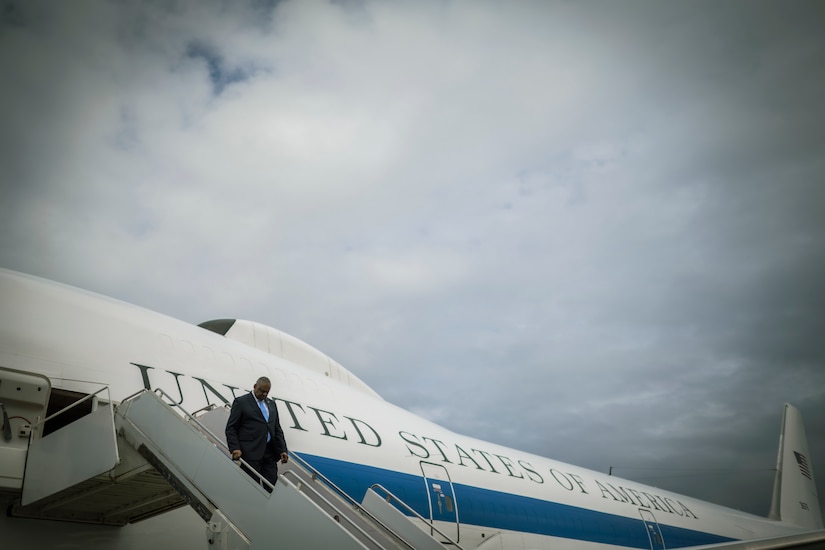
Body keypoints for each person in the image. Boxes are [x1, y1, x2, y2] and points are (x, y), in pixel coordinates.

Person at [225, 376, 288, 491]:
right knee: (251, 488)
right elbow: (231, 428)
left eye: (266, 392)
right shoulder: (241, 402)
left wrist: (283, 449)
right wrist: (235, 448)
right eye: (261, 391)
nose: (264, 394)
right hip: (250, 452)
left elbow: (277, 428)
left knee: (271, 487)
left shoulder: (272, 404)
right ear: (255, 387)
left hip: (269, 452)